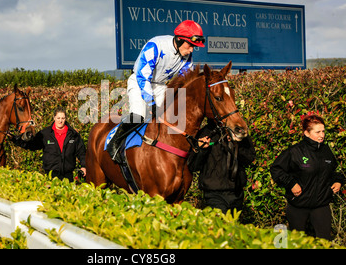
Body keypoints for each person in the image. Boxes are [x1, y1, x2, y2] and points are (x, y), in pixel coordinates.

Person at [107, 20, 205, 162]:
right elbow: (142, 75)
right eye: (190, 45)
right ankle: (114, 142)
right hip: (140, 82)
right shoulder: (156, 45)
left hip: (160, 86)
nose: (191, 50)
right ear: (179, 39)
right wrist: (151, 102)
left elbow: (185, 82)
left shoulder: (187, 57)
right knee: (139, 116)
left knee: (174, 118)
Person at [270, 112, 344, 240]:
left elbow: (335, 171)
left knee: (324, 242)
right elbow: (276, 169)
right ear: (306, 133)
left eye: (323, 131)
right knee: (297, 242)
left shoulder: (326, 151)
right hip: (298, 205)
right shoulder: (295, 151)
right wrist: (291, 183)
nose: (322, 135)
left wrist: (338, 181)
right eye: (317, 132)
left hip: (321, 205)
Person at [188, 119, 256, 214]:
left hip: (236, 194)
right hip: (213, 195)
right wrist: (202, 150)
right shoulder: (204, 133)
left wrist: (237, 145)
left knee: (233, 228)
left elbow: (249, 158)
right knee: (220, 226)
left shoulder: (238, 131)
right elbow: (193, 166)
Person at [13, 107, 86, 182]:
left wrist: (84, 166)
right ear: (54, 118)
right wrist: (17, 140)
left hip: (68, 176)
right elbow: (32, 145)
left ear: (65, 119)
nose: (60, 121)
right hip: (50, 176)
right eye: (58, 118)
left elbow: (82, 152)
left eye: (63, 118)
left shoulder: (73, 135)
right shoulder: (45, 134)